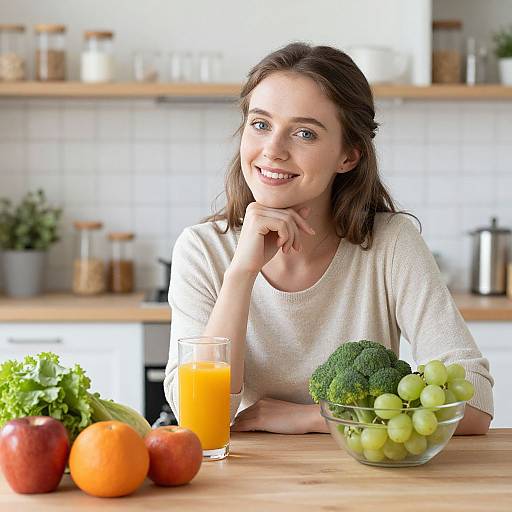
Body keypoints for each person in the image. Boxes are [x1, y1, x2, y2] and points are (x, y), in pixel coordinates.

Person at [164, 42, 493, 435]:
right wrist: (241, 273)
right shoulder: (202, 249)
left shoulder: (390, 245)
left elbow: (473, 403)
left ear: (348, 156)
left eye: (304, 133)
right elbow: (199, 416)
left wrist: (311, 417)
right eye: (261, 124)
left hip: (364, 477)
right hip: (244, 481)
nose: (272, 150)